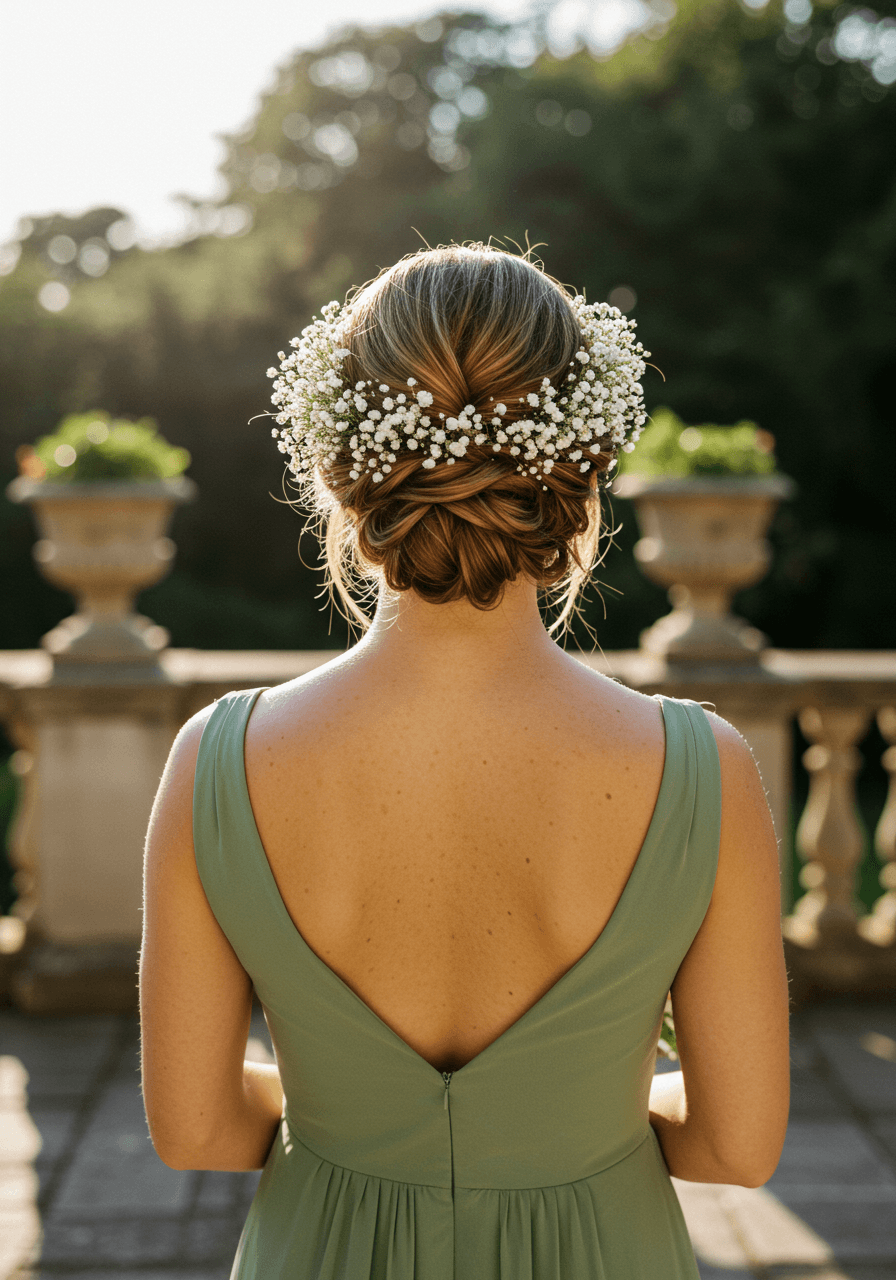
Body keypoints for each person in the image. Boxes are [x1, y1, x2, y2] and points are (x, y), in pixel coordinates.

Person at [140, 244, 790, 1279]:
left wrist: (345, 1115)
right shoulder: (701, 768)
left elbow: (195, 1129)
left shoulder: (216, 761)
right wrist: (576, 1118)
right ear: (582, 472)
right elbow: (736, 1146)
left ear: (338, 473)